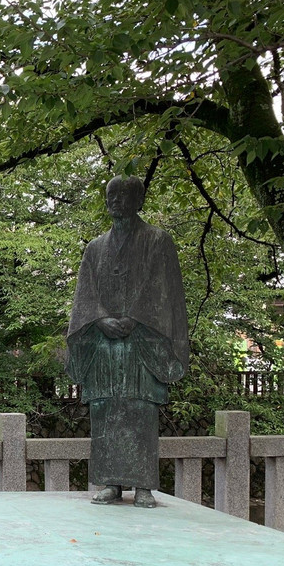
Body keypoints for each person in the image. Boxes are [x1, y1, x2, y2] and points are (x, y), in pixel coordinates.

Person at [66, 175, 189, 508]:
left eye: (123, 194)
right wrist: (100, 319)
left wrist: (136, 317)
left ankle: (144, 485)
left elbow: (163, 291)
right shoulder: (95, 248)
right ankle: (110, 483)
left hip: (142, 341)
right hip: (103, 343)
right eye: (111, 195)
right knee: (105, 408)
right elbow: (84, 297)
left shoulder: (158, 241)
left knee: (140, 409)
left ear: (139, 200)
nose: (116, 200)